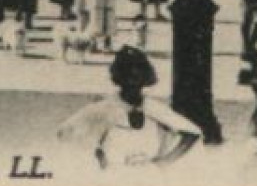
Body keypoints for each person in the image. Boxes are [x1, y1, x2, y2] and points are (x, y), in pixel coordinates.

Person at [57, 47, 201, 170]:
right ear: (119, 79)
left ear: (145, 80)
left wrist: (165, 162)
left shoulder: (154, 108)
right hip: (114, 176)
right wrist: (95, 153)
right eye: (128, 79)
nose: (133, 84)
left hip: (149, 177)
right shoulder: (104, 108)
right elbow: (64, 132)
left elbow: (192, 132)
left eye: (138, 79)